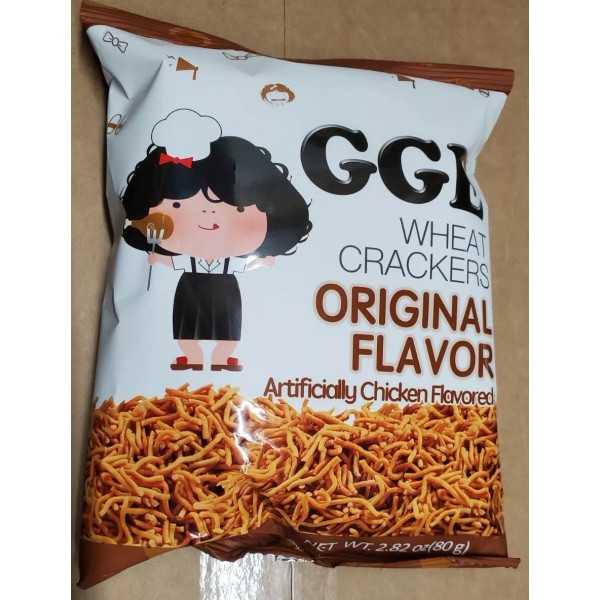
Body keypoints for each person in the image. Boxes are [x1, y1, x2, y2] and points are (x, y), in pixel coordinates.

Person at [122, 109, 311, 371]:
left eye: (239, 208)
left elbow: (243, 265)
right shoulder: (187, 260)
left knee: (227, 328)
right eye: (177, 204)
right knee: (187, 324)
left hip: (225, 290)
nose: (208, 214)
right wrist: (158, 258)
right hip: (191, 287)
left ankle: (223, 357)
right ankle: (192, 357)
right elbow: (175, 262)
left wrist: (263, 261)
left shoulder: (230, 264)